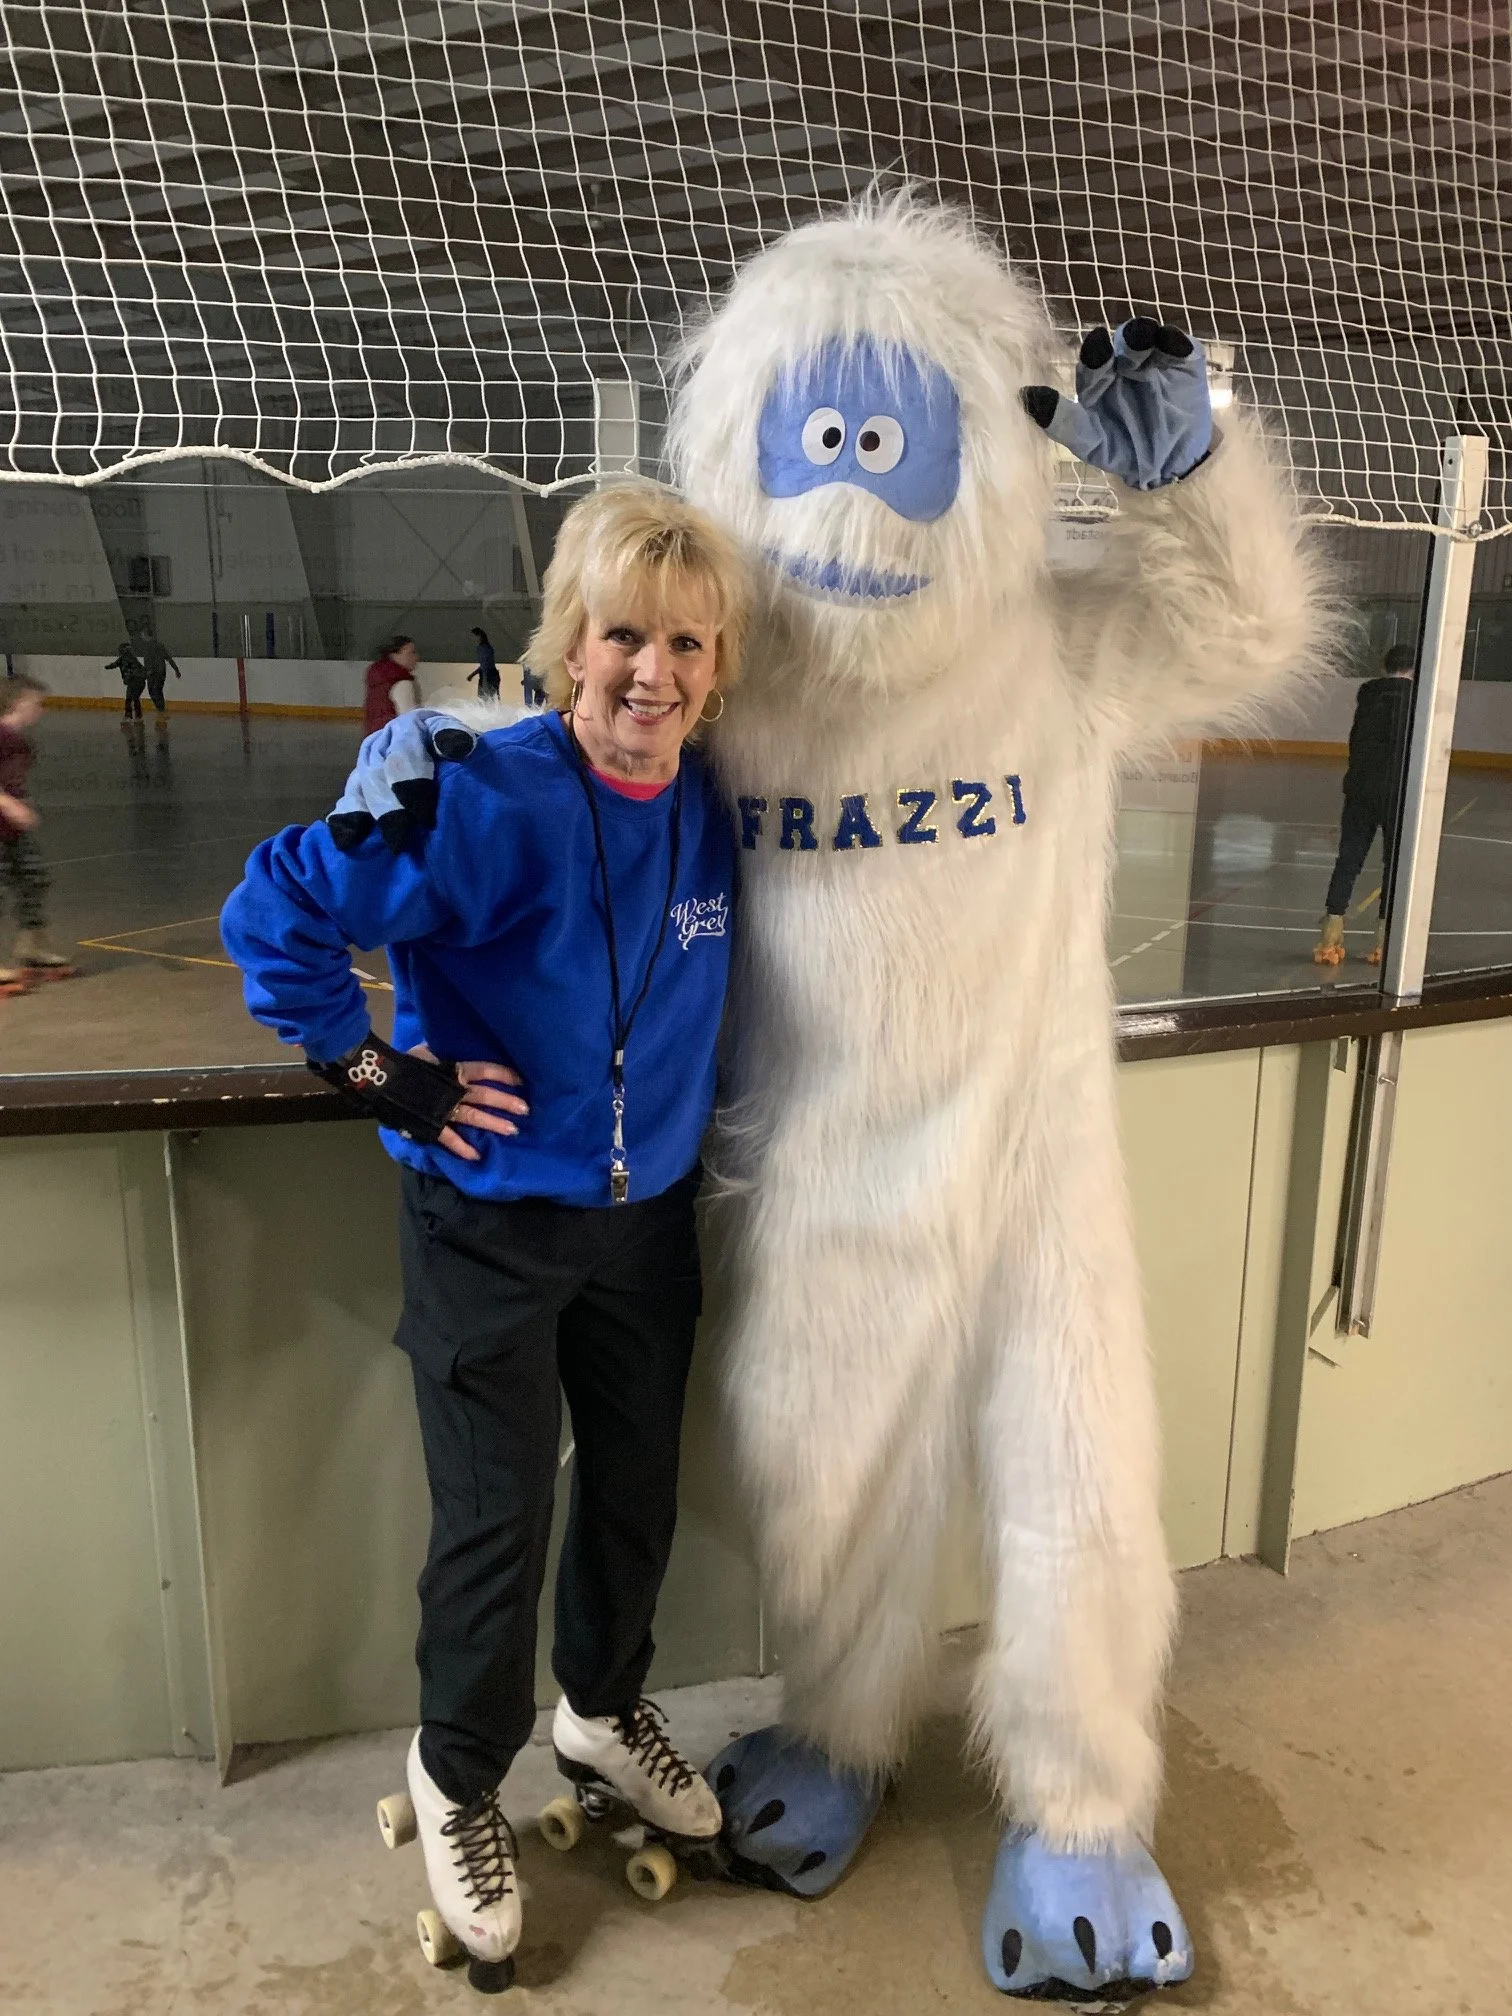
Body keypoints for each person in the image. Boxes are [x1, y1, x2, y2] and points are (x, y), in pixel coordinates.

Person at [220, 481, 749, 1987]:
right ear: (573, 644)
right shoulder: (478, 796)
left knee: (635, 1493)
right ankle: (460, 1774)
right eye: (625, 636)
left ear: (718, 667)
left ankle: (603, 1709)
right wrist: (389, 1076)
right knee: (495, 1522)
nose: (653, 673)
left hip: (645, 1225)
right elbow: (273, 912)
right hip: (490, 1227)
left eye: (686, 645)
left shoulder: (718, 804)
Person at [1314, 642, 1416, 967]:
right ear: (1415, 669)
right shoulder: (1417, 700)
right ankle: (1384, 943)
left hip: (1360, 789)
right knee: (1394, 865)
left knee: (1349, 860)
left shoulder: (1368, 696)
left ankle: (1329, 936)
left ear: (1385, 666)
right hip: (1397, 792)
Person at [0, 674, 75, 991]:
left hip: (12, 830)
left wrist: (22, 806)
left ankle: (32, 947)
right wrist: (9, 805)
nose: (40, 709)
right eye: (35, 703)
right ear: (17, 702)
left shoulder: (22, 743)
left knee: (33, 878)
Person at [363, 635, 420, 737]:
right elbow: (409, 720)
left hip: (374, 737)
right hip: (393, 739)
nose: (416, 658)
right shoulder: (401, 681)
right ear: (394, 655)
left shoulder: (378, 676)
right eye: (411, 653)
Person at [137, 632, 181, 715]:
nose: (141, 637)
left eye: (142, 635)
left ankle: (160, 710)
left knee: (154, 691)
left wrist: (148, 671)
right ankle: (160, 709)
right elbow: (168, 658)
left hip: (155, 672)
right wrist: (176, 669)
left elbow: (149, 660)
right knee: (156, 691)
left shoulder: (149, 647)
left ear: (146, 636)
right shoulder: (158, 645)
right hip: (158, 672)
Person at [106, 636, 147, 722]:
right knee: (135, 698)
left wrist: (107, 667)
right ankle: (138, 716)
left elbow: (114, 665)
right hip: (139, 682)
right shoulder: (132, 658)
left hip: (134, 681)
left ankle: (129, 716)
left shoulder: (124, 658)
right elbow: (141, 669)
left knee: (129, 698)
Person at [468, 627, 500, 701]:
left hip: (489, 674)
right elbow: (484, 665)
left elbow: (485, 665)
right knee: (488, 697)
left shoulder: (485, 648)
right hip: (488, 674)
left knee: (488, 697)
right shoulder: (483, 648)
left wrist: (472, 675)